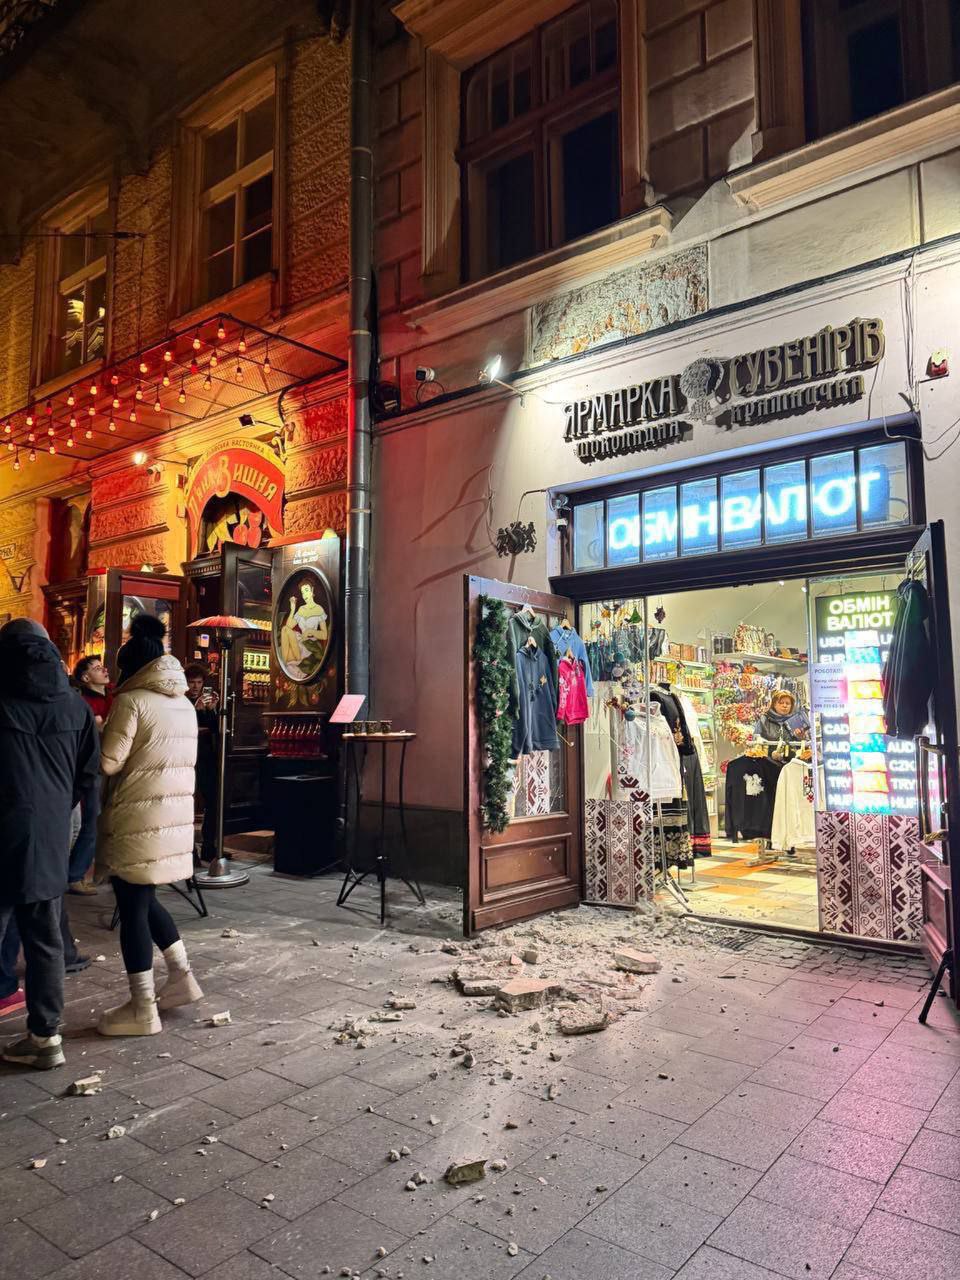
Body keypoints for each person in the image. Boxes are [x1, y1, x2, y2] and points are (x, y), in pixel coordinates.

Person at [96, 614, 203, 1036]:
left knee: (133, 907)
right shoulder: (184, 703)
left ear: (131, 668)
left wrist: (97, 731)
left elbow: (109, 762)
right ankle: (181, 977)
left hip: (137, 818)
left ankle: (142, 1008)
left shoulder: (132, 701)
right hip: (171, 820)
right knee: (144, 898)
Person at [0, 618, 100, 1069]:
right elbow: (87, 776)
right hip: (48, 837)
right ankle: (46, 1038)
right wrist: (56, 810)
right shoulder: (76, 707)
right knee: (45, 940)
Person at [184, 664, 219, 865]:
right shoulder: (181, 701)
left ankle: (208, 846)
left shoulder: (206, 700)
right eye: (192, 682)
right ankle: (190, 851)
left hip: (206, 756)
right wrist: (194, 711)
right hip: (187, 757)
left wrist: (211, 711)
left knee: (212, 800)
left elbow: (214, 729)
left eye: (199, 682)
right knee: (187, 803)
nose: (195, 686)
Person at [280, 579, 328, 677]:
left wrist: (311, 631)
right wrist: (292, 609)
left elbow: (324, 635)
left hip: (310, 644)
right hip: (300, 640)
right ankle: (294, 661)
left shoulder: (318, 609)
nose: (305, 594)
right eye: (303, 592)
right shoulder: (301, 609)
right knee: (285, 629)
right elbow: (288, 626)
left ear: (312, 590)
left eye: (306, 590)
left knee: (288, 655)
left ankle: (294, 662)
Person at [72, 654, 113, 726]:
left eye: (102, 666)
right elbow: (101, 728)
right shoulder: (86, 703)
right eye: (98, 668)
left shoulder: (114, 688)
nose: (105, 669)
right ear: (86, 678)